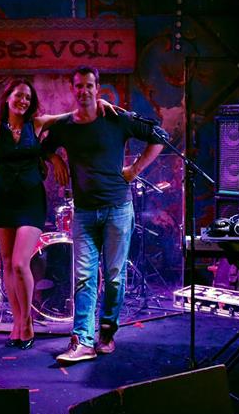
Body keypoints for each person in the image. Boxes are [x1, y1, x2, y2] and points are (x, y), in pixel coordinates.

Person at [0, 79, 112, 349]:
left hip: (30, 201)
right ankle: (17, 322)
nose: (23, 101)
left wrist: (99, 103)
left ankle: (26, 322)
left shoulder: (37, 124)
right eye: (18, 95)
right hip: (3, 201)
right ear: (7, 98)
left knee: (19, 262)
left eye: (27, 97)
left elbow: (72, 116)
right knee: (6, 262)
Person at [42, 66, 164, 364]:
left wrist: (135, 169)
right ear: (73, 90)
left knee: (114, 277)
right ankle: (82, 340)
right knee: (84, 277)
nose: (83, 91)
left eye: (89, 85)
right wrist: (55, 158)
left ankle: (107, 332)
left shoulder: (116, 118)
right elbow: (41, 146)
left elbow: (159, 136)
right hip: (84, 212)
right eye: (78, 86)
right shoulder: (65, 126)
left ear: (97, 88)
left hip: (117, 208)